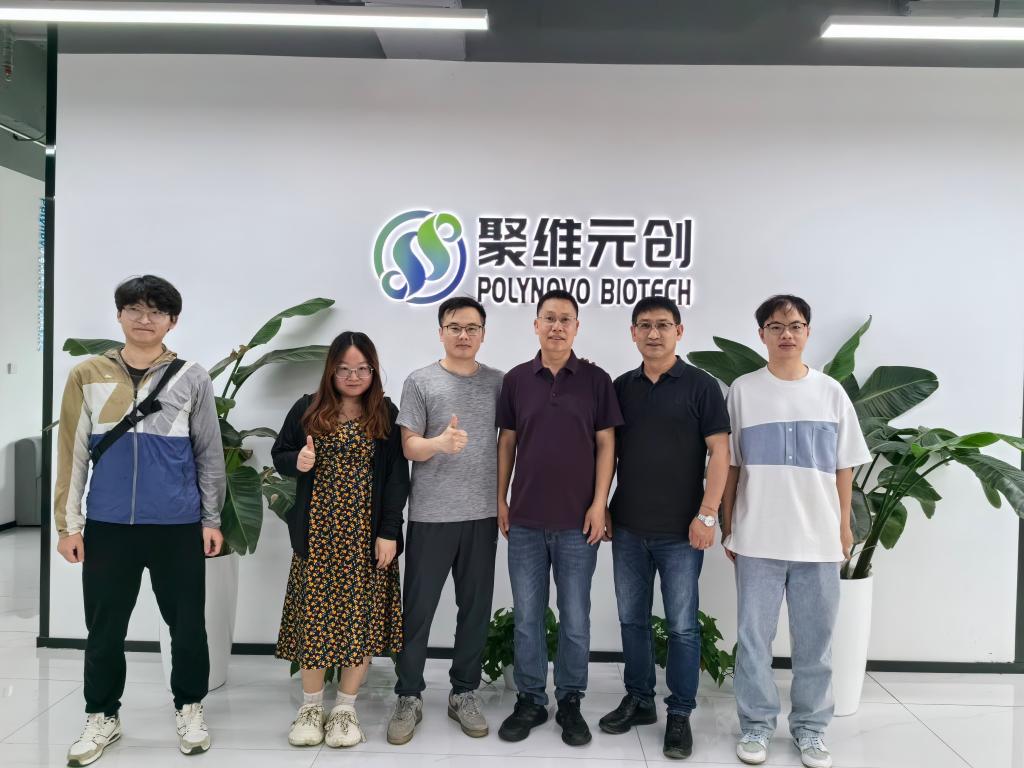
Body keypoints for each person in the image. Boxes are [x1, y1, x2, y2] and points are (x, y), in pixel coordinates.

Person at [55, 275, 226, 766]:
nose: (144, 319)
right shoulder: (87, 374)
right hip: (108, 526)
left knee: (187, 625)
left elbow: (209, 454)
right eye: (134, 309)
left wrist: (210, 519)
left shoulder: (191, 377)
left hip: (176, 525)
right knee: (104, 627)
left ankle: (190, 707)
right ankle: (102, 714)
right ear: (119, 315)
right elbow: (72, 452)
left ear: (172, 321)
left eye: (156, 311)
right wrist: (69, 526)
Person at [721, 295, 871, 768]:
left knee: (815, 645)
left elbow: (844, 467)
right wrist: (728, 524)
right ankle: (756, 726)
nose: (786, 334)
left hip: (818, 541)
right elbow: (730, 464)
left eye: (795, 325)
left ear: (807, 332)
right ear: (761, 334)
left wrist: (843, 526)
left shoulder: (830, 392)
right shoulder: (743, 391)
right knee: (753, 642)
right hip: (757, 538)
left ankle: (811, 730)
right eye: (775, 326)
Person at [600, 296, 731, 759]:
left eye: (662, 325)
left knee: (681, 628)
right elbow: (607, 453)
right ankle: (639, 700)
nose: (653, 333)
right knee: (632, 620)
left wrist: (708, 513)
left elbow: (720, 452)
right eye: (644, 325)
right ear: (632, 333)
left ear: (679, 331)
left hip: (682, 531)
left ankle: (679, 712)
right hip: (629, 527)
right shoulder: (621, 387)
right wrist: (602, 505)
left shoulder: (701, 386)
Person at [495, 289, 624, 747]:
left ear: (576, 327)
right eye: (548, 318)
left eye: (565, 319)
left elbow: (607, 444)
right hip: (526, 520)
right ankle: (530, 699)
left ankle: (569, 699)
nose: (556, 326)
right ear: (536, 325)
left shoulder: (596, 379)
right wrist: (501, 499)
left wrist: (599, 502)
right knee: (528, 616)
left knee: (575, 617)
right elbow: (507, 442)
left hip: (577, 523)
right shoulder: (516, 380)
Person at [272, 331, 409, 749]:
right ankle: (311, 708)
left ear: (373, 371)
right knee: (315, 620)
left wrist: (389, 532)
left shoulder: (385, 412)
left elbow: (396, 478)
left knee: (359, 622)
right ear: (331, 370)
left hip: (366, 539)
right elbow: (280, 454)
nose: (353, 376)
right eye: (345, 369)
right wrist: (298, 460)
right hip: (318, 536)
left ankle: (346, 709)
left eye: (362, 369)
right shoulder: (307, 407)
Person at [386, 296, 505, 745]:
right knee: (418, 611)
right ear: (441, 332)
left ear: (483, 334)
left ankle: (464, 692)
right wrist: (438, 443)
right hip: (432, 516)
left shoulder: (499, 383)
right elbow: (408, 446)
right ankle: (408, 695)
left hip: (481, 514)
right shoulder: (421, 381)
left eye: (472, 328)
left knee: (474, 609)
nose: (463, 335)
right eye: (455, 327)